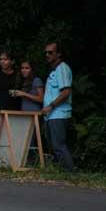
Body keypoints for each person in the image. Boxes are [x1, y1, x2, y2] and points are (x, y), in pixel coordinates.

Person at [42, 42, 75, 172]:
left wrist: (50, 106)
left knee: (58, 145)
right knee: (54, 146)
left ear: (59, 54)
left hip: (58, 113)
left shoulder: (62, 68)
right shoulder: (55, 70)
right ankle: (61, 172)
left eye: (50, 52)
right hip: (52, 115)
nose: (47, 55)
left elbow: (66, 92)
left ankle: (71, 173)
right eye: (46, 52)